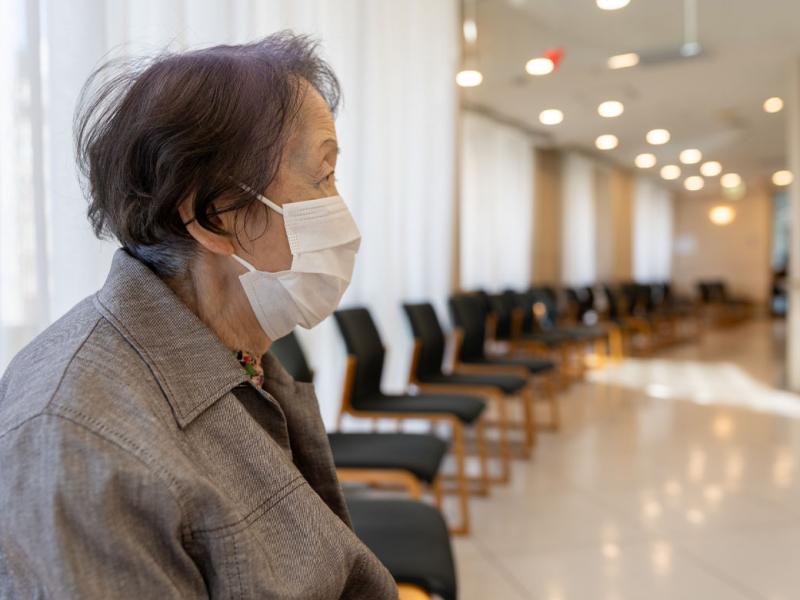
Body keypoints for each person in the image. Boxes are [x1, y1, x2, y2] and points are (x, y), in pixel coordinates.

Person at [0, 32, 397, 599]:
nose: (340, 209)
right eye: (323, 177)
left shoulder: (238, 352)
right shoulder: (77, 438)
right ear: (213, 217)